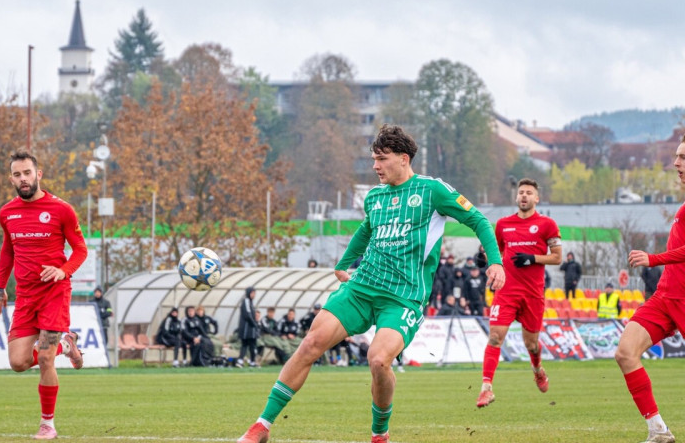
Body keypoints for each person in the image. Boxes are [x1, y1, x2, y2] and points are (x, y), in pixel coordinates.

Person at [237, 124, 505, 443]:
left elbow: (478, 220)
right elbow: (366, 230)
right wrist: (342, 264)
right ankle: (262, 426)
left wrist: (496, 262)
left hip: (403, 298)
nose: (375, 166)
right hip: (362, 289)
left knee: (378, 359)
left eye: (381, 158)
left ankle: (380, 434)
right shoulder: (375, 197)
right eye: (373, 159)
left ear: (404, 159)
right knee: (310, 343)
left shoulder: (433, 191)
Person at [0, 150, 88, 440]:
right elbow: (8, 249)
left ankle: (48, 425)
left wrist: (63, 270)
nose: (23, 179)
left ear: (38, 175)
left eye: (27, 173)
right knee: (18, 363)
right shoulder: (7, 213)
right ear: (11, 179)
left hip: (54, 294)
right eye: (18, 175)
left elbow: (81, 250)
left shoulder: (62, 210)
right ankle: (67, 345)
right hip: (25, 296)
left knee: (45, 358)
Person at [615, 137, 685, 443]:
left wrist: (653, 258)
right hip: (665, 297)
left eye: (682, 157)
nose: (676, 164)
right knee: (625, 353)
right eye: (676, 156)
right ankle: (658, 431)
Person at [477, 178, 562, 408]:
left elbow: (557, 257)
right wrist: (484, 257)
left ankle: (537, 370)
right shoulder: (503, 224)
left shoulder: (547, 225)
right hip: (506, 291)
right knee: (495, 337)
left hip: (533, 295)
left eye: (529, 193)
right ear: (516, 197)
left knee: (531, 345)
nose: (524, 196)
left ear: (536, 198)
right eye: (521, 192)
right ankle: (486, 388)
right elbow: (496, 253)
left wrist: (532, 258)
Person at [237, 287, 260, 368]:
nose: (254, 295)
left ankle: (252, 361)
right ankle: (241, 361)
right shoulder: (246, 300)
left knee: (251, 345)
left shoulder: (250, 302)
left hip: (250, 328)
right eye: (253, 293)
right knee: (246, 344)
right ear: (249, 293)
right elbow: (247, 314)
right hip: (247, 328)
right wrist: (254, 324)